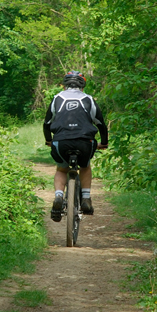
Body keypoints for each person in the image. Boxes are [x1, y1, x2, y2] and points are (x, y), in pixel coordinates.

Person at [43, 70, 108, 221]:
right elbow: (101, 125)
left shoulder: (57, 98)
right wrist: (103, 143)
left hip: (61, 142)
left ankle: (59, 197)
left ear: (64, 85)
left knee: (61, 169)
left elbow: (47, 123)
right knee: (85, 166)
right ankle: (86, 199)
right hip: (85, 142)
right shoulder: (89, 99)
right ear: (83, 85)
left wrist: (48, 140)